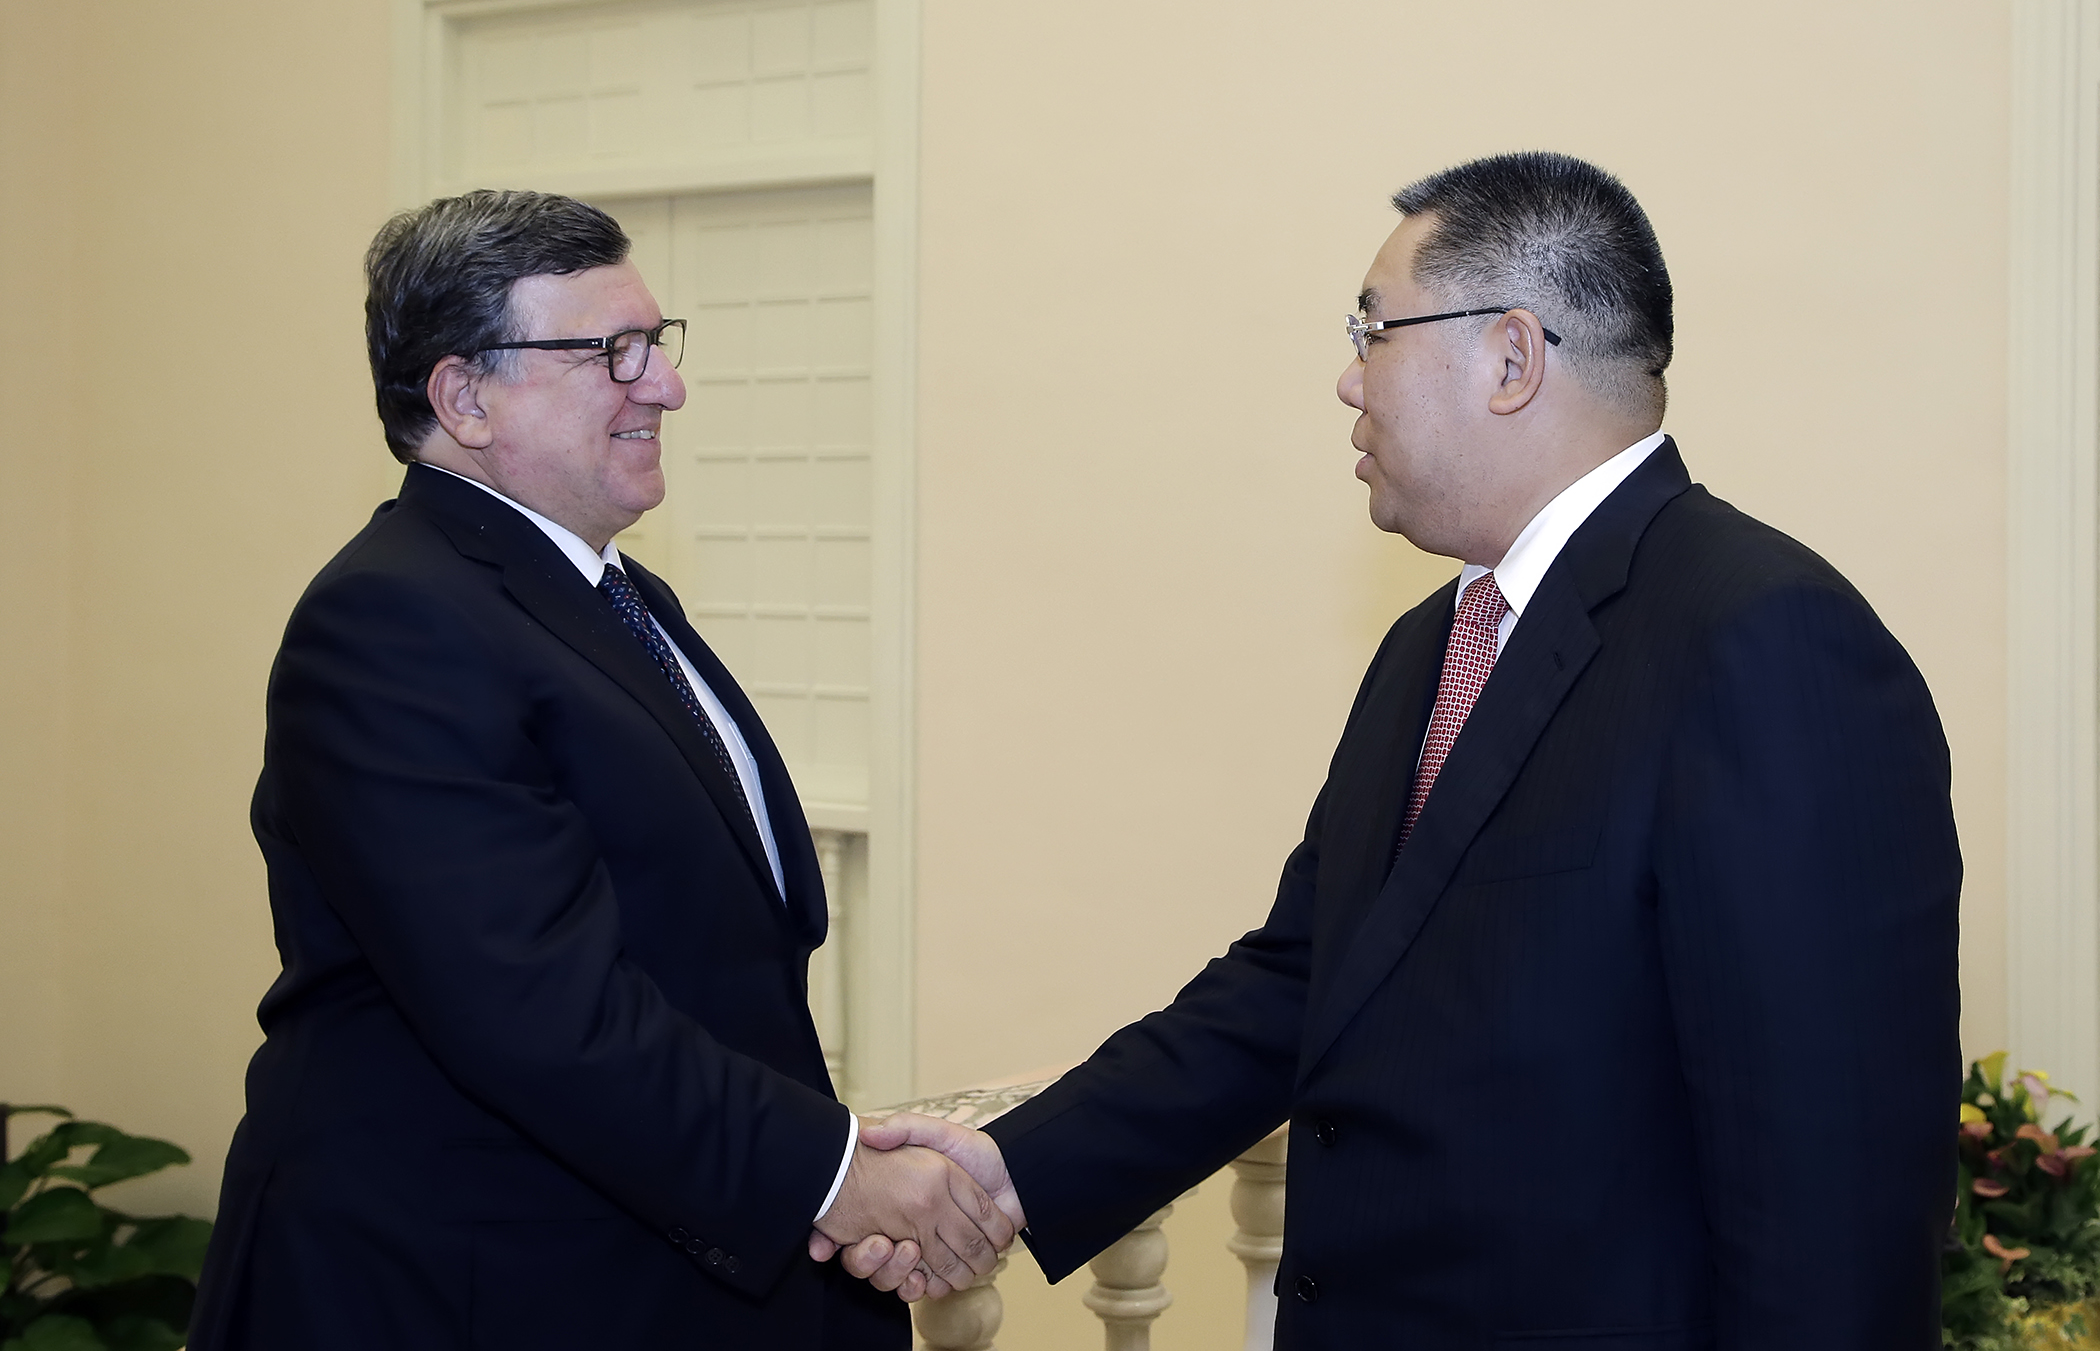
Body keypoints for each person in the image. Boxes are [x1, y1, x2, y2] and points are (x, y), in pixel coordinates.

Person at [835, 153, 1962, 1346]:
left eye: (1372, 330)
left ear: (1512, 358)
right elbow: (1299, 982)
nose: (1346, 377)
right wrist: (1014, 1166)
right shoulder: (1434, 640)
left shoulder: (1765, 638)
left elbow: (1834, 1195)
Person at [188, 189, 1013, 1351]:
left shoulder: (615, 595)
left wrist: (827, 1166)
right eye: (610, 352)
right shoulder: (390, 619)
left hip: (646, 1254)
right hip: (463, 1284)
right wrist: (835, 1174)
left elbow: (711, 960)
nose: (664, 385)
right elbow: (538, 1010)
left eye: (657, 343)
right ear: (465, 397)